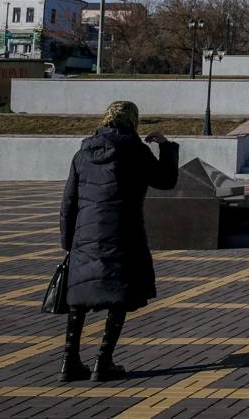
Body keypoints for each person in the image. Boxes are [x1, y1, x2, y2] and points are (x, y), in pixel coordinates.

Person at [58, 100, 179, 382]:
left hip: (84, 236)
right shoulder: (136, 151)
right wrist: (166, 145)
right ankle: (103, 361)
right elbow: (165, 180)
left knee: (79, 298)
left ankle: (69, 361)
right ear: (133, 122)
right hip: (123, 234)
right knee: (117, 296)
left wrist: (68, 241)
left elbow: (68, 201)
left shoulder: (83, 153)